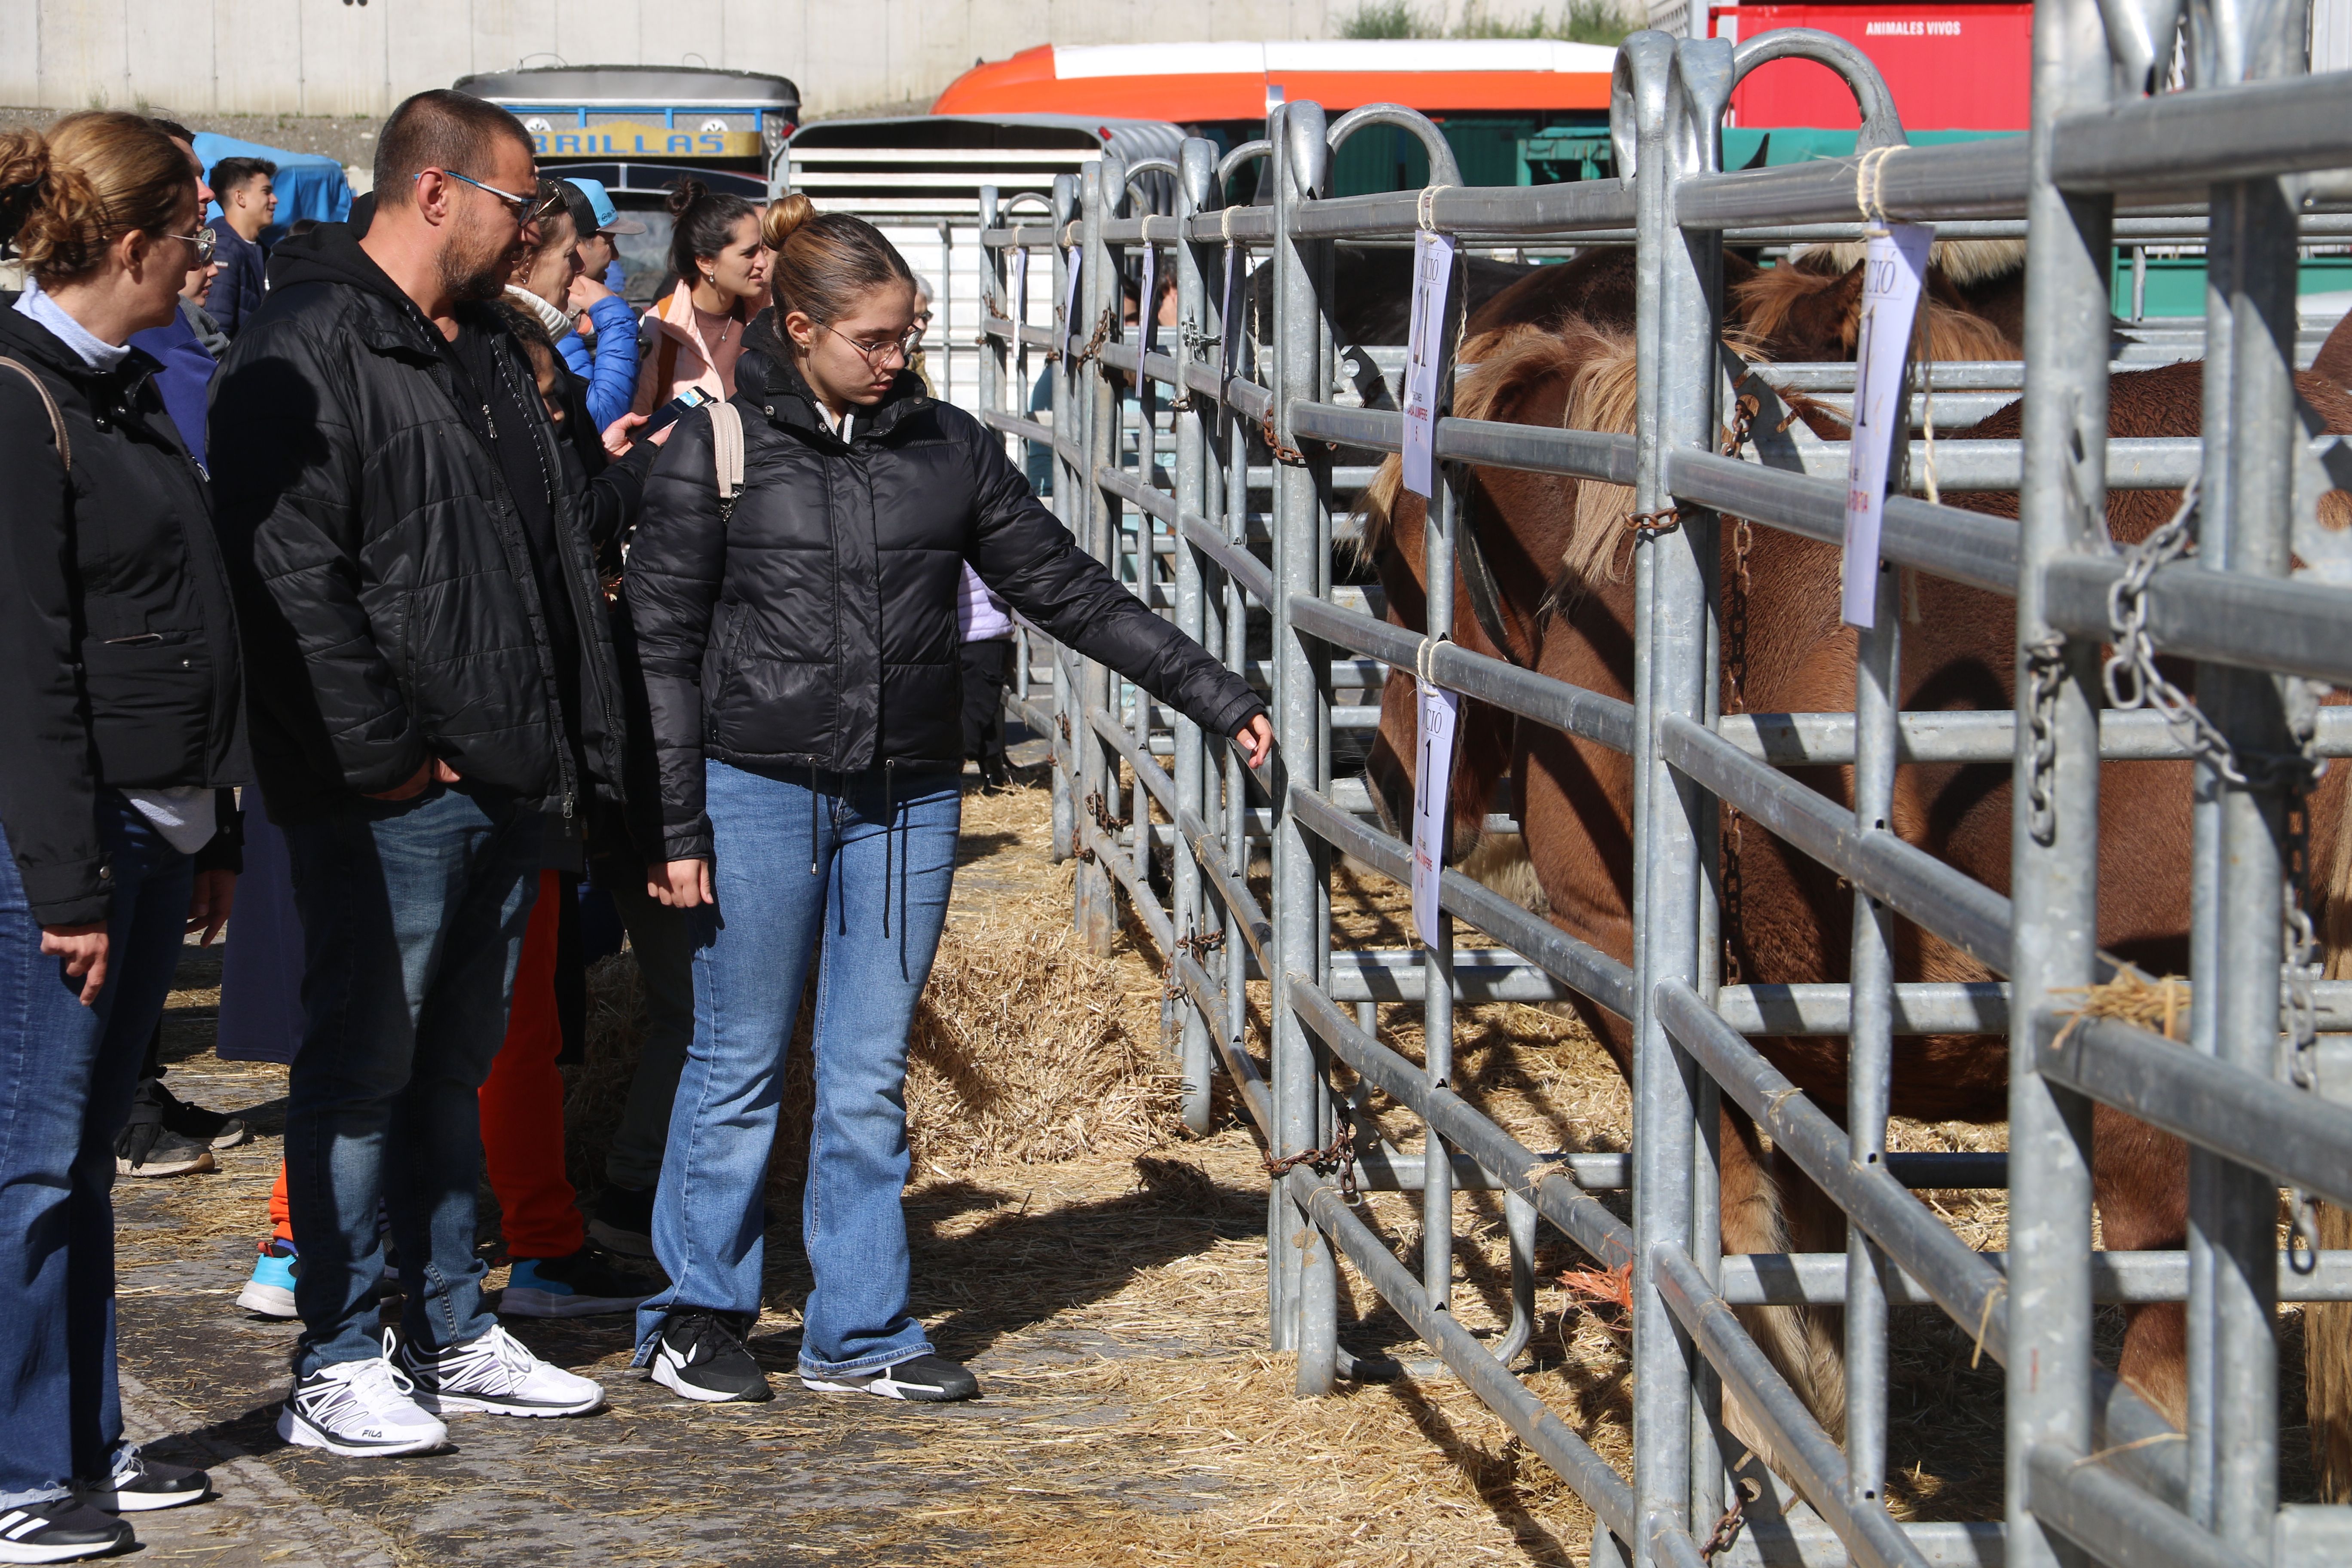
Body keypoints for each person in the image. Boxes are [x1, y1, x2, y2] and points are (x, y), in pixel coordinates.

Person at [625, 195, 1271, 1406]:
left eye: (908, 335)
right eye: (874, 339)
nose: (898, 358)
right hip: (754, 783)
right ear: (800, 326)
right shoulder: (709, 448)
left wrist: (1213, 692)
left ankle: (858, 1328)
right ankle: (695, 1310)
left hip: (905, 792)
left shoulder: (948, 446)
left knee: (866, 1068)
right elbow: (660, 648)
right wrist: (673, 824)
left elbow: (1065, 588)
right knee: (739, 1057)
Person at [209, 88, 632, 1457]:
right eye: (518, 206)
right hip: (397, 788)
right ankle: (337, 1355)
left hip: (507, 774)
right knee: (357, 1069)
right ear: (437, 191)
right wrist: (391, 758)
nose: (532, 238)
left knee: (448, 1067)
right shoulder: (314, 337)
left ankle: (452, 1324)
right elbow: (291, 576)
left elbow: (546, 551)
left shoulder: (490, 350)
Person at [0, 110, 242, 1561]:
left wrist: (216, 817)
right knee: (32, 1163)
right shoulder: (20, 400)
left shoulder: (126, 387)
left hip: (156, 822)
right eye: (194, 233)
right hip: (69, 843)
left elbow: (191, 612)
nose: (207, 257)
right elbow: (24, 671)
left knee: (83, 1160)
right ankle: (23, 1467)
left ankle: (80, 1438)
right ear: (134, 240)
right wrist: (68, 878)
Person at [629, 180, 765, 414]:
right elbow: (637, 429)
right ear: (705, 261)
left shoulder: (770, 316)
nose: (762, 263)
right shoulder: (659, 328)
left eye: (763, 249)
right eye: (748, 254)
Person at [553, 177, 642, 431]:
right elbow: (600, 418)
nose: (616, 256)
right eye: (609, 242)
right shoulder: (550, 317)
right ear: (573, 243)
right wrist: (615, 317)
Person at [202, 155, 273, 336]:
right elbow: (215, 331)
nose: (274, 199)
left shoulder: (259, 249)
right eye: (266, 191)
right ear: (240, 197)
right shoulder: (223, 250)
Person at [958, 566, 1015, 790]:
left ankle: (995, 777)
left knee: (978, 707)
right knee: (976, 710)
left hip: (954, 629)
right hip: (984, 630)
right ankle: (945, 778)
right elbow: (1000, 584)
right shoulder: (975, 532)